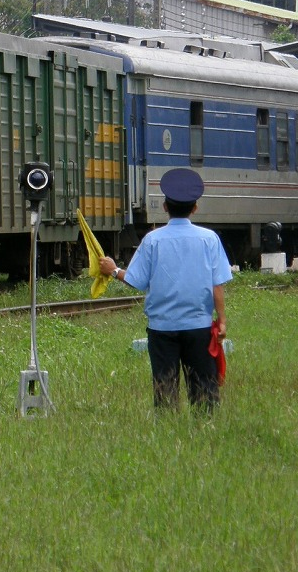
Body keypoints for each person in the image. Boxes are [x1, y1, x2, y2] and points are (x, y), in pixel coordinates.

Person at [98, 168, 232, 411]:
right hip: (199, 328)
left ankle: (169, 428)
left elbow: (137, 280)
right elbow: (217, 284)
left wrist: (114, 270)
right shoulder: (209, 239)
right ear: (195, 208)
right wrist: (221, 320)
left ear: (164, 206)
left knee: (165, 391)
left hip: (162, 330)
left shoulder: (152, 240)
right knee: (204, 393)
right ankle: (204, 430)